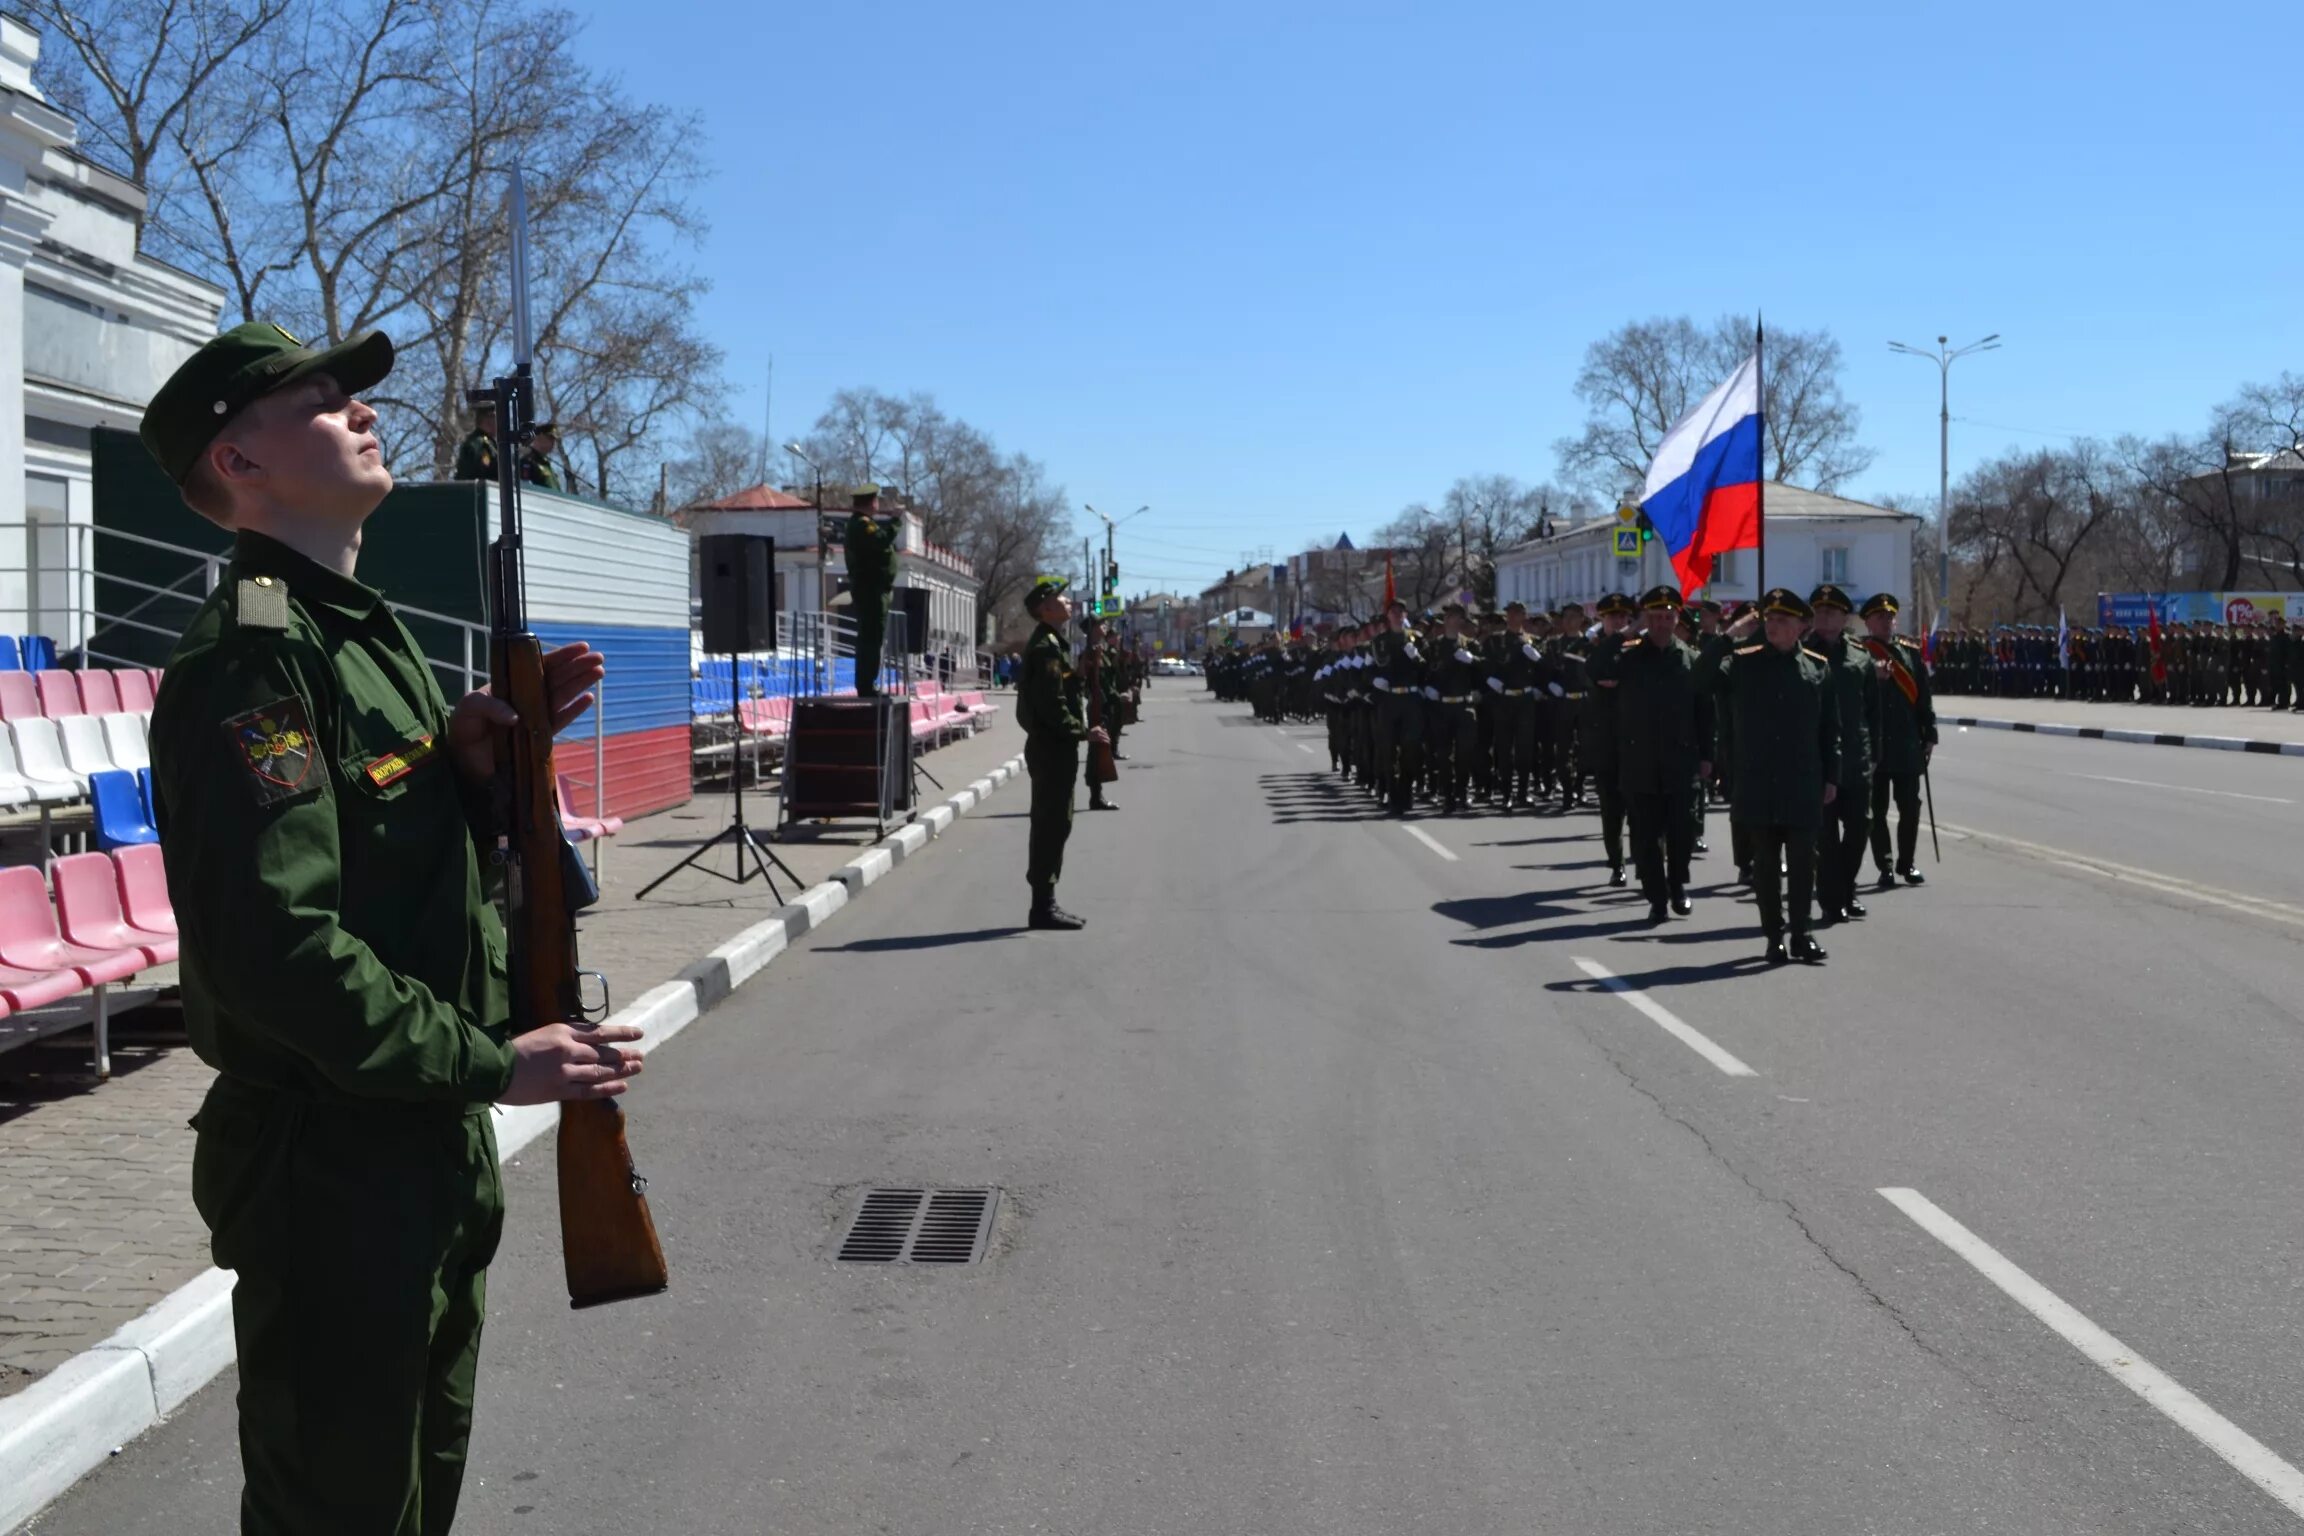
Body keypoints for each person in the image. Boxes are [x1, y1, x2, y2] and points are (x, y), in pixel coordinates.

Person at [138, 321, 642, 1535]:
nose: (358, 411)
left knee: (415, 1492)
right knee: (343, 1510)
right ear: (240, 461)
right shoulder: (255, 662)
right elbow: (278, 949)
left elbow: (387, 875)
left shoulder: (371, 639)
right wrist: (490, 1062)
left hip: (416, 1147)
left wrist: (472, 776)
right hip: (333, 1171)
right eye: (315, 400)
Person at [1699, 589, 1840, 965]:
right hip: (1758, 781)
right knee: (1764, 865)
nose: (1773, 626)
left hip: (1802, 782)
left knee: (1802, 864)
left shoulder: (1816, 667)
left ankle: (1802, 934)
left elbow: (1830, 729)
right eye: (1769, 619)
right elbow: (1699, 679)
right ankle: (1774, 936)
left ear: (1801, 627)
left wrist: (1832, 776)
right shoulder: (1742, 664)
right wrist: (1729, 635)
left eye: (1783, 620)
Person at [1589, 585, 1712, 924]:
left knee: (1682, 832)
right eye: (1654, 617)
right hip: (1638, 760)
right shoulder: (1628, 656)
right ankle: (1657, 898)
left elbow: (1705, 711)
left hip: (1681, 761)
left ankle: (1678, 886)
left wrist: (1708, 756)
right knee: (1644, 837)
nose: (1661, 623)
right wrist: (1627, 631)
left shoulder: (1690, 658)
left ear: (1677, 619)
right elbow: (1596, 670)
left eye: (1667, 616)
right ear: (1646, 619)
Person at [1017, 576, 1105, 929]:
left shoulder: (1055, 643)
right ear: (1046, 608)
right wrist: (1083, 731)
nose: (1069, 602)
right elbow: (1051, 707)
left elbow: (1063, 692)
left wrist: (1082, 672)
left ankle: (1046, 903)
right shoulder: (1045, 649)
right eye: (1061, 598)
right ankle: (1042, 907)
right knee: (1051, 824)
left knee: (1057, 823)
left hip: (1056, 747)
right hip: (1052, 747)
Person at [1806, 583, 1880, 926]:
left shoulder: (1859, 655)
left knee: (1860, 826)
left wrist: (1875, 751)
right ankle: (1832, 899)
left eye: (1832, 612)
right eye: (1819, 611)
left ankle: (1846, 888)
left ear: (1845, 617)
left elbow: (1872, 709)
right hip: (1818, 760)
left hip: (1855, 756)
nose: (1825, 617)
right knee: (1825, 837)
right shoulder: (1802, 654)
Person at [1860, 592, 1937, 887]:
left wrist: (1929, 733)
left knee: (1910, 807)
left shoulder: (1909, 653)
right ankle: (1886, 865)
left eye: (1890, 616)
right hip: (1875, 745)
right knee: (1876, 810)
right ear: (1868, 622)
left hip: (1906, 743)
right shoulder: (1861, 653)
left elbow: (1924, 698)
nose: (1887, 622)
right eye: (1880, 617)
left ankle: (1907, 863)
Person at [844, 486, 899, 696]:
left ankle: (868, 683)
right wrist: (895, 521)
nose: (878, 504)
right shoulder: (861, 525)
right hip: (871, 590)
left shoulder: (864, 524)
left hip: (874, 589)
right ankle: (866, 686)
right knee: (870, 639)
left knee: (872, 638)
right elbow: (881, 541)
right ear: (871, 502)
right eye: (876, 500)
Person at [1079, 615, 1120, 811]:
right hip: (1098, 705)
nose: (1105, 627)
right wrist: (1106, 698)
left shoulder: (1100, 651)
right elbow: (1087, 683)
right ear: (1093, 629)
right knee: (1096, 751)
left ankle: (1097, 795)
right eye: (1101, 625)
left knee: (1100, 748)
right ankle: (1096, 797)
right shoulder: (1089, 653)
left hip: (1104, 704)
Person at [450, 400, 497, 481]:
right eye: (496, 419)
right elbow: (481, 472)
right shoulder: (479, 444)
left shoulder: (489, 443)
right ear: (489, 420)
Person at [519, 420, 561, 489]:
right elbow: (526, 488)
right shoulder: (528, 462)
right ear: (538, 437)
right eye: (550, 438)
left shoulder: (546, 464)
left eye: (554, 440)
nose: (553, 443)